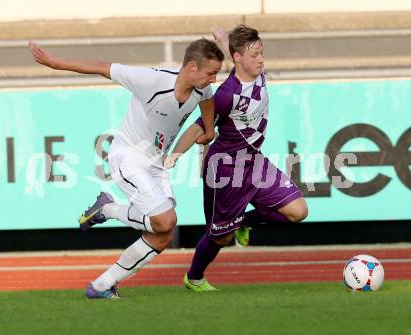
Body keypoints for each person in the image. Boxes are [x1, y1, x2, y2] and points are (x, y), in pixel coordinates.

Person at [29, 38, 224, 298]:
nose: (213, 79)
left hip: (155, 164)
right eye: (211, 73)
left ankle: (101, 286)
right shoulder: (151, 80)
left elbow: (208, 101)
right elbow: (101, 66)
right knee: (166, 220)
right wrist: (55, 62)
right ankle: (107, 209)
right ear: (191, 67)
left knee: (163, 236)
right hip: (128, 157)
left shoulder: (202, 89)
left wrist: (209, 129)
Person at [164, 25, 308, 292]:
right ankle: (194, 278)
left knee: (298, 212)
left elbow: (236, 51)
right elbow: (199, 127)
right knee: (219, 237)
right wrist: (174, 156)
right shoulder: (226, 94)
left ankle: (243, 221)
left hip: (254, 162)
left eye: (262, 53)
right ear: (239, 58)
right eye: (255, 55)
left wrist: (223, 38)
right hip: (226, 169)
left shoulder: (257, 72)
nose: (261, 59)